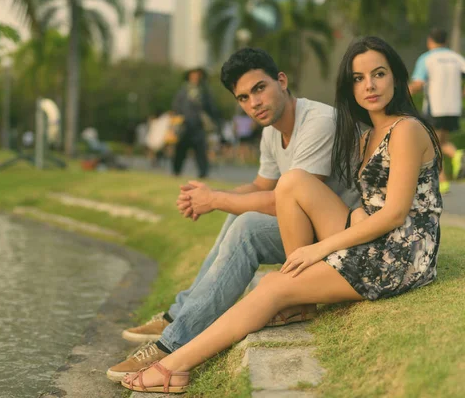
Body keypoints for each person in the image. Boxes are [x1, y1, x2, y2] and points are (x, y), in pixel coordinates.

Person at [119, 35, 443, 394]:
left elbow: (396, 214)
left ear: (396, 77)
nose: (369, 85)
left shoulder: (406, 129)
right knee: (291, 182)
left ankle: (172, 365)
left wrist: (318, 249)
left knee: (272, 287)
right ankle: (287, 299)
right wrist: (212, 196)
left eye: (378, 74)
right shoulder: (368, 132)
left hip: (401, 256)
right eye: (358, 78)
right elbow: (357, 201)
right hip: (368, 231)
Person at [106, 47, 360, 382]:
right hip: (309, 233)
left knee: (248, 227)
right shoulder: (272, 132)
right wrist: (207, 198)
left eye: (259, 88)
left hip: (342, 235)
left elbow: (284, 201)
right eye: (243, 98)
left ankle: (173, 345)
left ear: (281, 81)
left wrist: (218, 199)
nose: (253, 103)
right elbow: (259, 187)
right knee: (237, 216)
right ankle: (179, 314)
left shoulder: (318, 122)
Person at [409, 28, 465, 194]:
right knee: (440, 143)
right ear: (446, 41)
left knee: (433, 146)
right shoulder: (457, 58)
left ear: (430, 41)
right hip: (454, 108)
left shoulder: (427, 58)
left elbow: (418, 84)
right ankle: (446, 177)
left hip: (435, 108)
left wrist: (402, 94)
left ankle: (454, 158)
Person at [171, 67, 219, 179]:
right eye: (193, 75)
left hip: (199, 126)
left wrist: (213, 122)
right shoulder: (183, 91)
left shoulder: (205, 91)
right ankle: (176, 171)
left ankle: (203, 173)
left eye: (198, 75)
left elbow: (211, 108)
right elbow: (176, 107)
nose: (196, 77)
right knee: (180, 150)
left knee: (201, 151)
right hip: (185, 125)